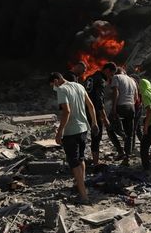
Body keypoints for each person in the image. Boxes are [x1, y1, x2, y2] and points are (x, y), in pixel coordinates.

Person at [50, 72, 98, 203]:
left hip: (71, 131)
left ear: (56, 80)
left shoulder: (61, 89)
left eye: (52, 85)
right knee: (81, 158)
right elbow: (91, 105)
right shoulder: (79, 86)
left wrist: (60, 132)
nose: (53, 88)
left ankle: (83, 196)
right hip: (83, 128)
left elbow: (66, 111)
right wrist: (94, 122)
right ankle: (80, 186)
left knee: (74, 162)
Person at [102, 62, 137, 164]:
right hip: (131, 107)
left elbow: (115, 92)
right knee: (130, 133)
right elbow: (136, 97)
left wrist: (114, 108)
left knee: (109, 128)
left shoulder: (116, 77)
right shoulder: (132, 80)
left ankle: (120, 150)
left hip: (121, 106)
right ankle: (127, 157)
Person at [83, 67, 109, 166]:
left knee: (83, 135)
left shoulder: (89, 78)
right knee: (96, 136)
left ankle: (80, 159)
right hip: (94, 112)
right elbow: (99, 99)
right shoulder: (100, 80)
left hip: (84, 110)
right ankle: (95, 162)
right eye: (111, 74)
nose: (110, 77)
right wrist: (104, 117)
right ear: (107, 70)